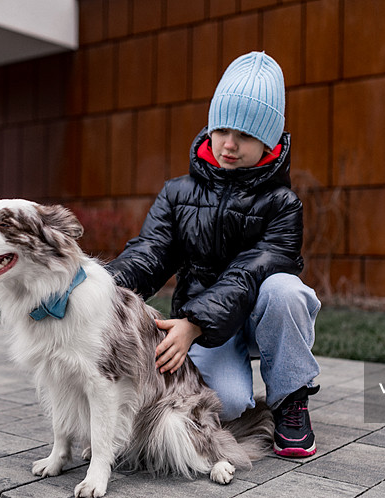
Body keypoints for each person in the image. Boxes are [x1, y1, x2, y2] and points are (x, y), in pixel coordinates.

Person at [106, 51, 321, 457]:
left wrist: (193, 324)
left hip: (255, 315)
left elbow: (249, 272)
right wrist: (96, 286)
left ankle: (291, 398)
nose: (229, 144)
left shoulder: (283, 204)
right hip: (206, 320)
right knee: (228, 404)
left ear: (269, 141)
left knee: (285, 290)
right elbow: (150, 252)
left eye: (246, 135)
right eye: (221, 129)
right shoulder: (177, 193)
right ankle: (253, 406)